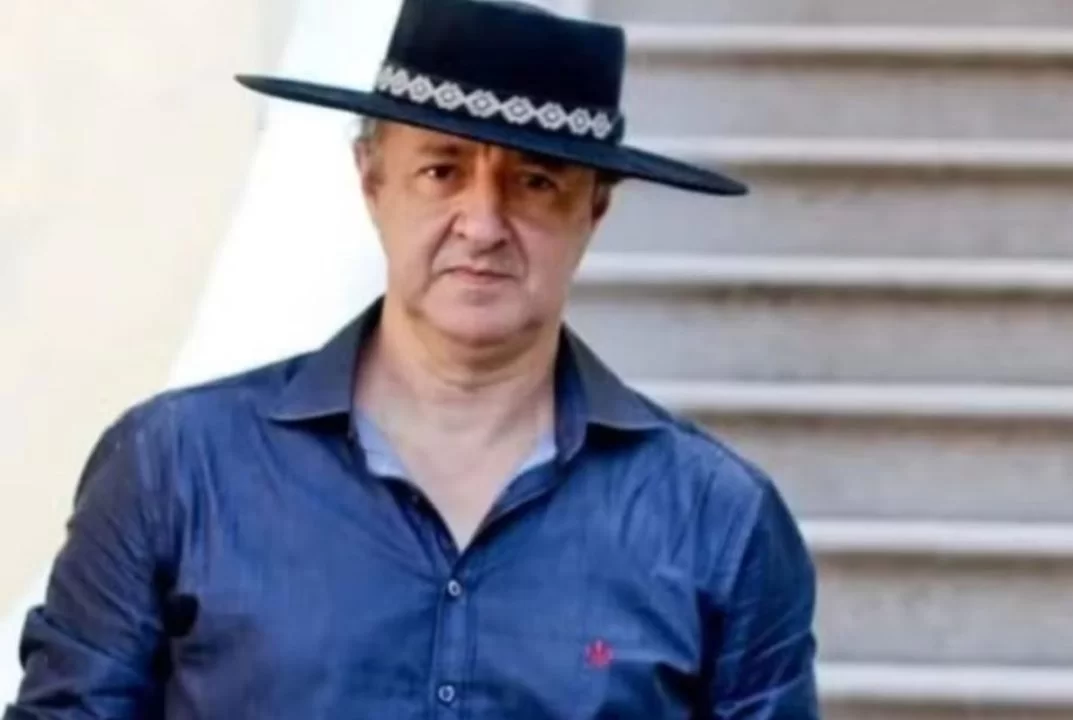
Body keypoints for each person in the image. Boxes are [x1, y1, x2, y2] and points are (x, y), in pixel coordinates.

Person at [6, 0, 820, 717]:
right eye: (441, 171)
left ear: (595, 210)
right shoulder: (176, 468)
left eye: (536, 182)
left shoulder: (717, 520)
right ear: (372, 181)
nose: (482, 224)